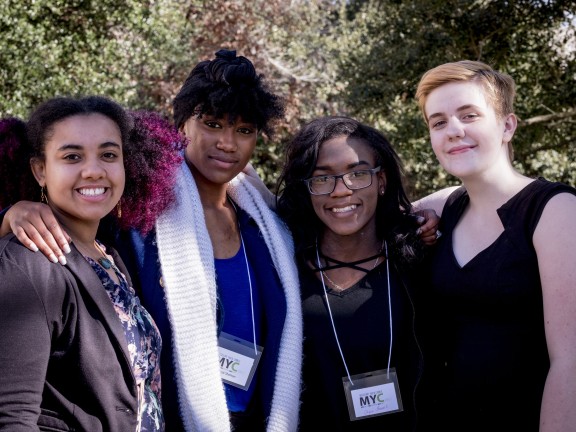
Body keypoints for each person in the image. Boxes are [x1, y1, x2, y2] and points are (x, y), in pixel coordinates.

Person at [0, 50, 303, 431]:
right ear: (182, 126)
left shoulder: (268, 224)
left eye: (243, 130)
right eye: (211, 124)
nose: (227, 143)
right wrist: (11, 213)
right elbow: (73, 192)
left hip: (258, 418)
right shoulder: (138, 211)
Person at [0, 96, 183, 431]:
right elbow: (11, 418)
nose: (94, 170)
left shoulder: (109, 255)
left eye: (109, 155)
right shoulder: (28, 264)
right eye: (72, 156)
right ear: (40, 170)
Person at [412, 60, 576, 431]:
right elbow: (365, 213)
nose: (453, 130)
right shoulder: (447, 206)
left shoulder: (555, 210)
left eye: (469, 115)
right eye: (438, 122)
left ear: (507, 125)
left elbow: (571, 363)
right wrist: (249, 182)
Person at [274, 116, 431, 431]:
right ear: (306, 189)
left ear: (381, 181)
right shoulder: (281, 272)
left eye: (358, 174)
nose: (341, 190)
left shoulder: (419, 264)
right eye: (322, 178)